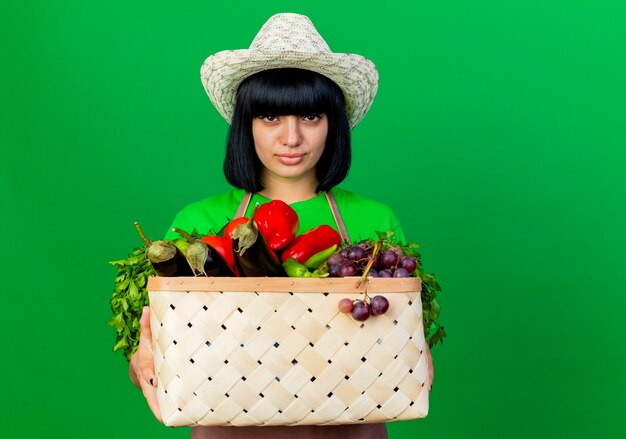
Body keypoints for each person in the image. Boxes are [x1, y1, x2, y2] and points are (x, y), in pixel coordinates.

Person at [129, 13, 434, 439]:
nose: (291, 138)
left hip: (353, 425)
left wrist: (416, 356)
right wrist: (144, 357)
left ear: (333, 125)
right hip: (228, 428)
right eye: (270, 117)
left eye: (310, 117)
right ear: (246, 125)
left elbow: (404, 333)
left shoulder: (376, 221)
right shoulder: (196, 223)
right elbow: (158, 338)